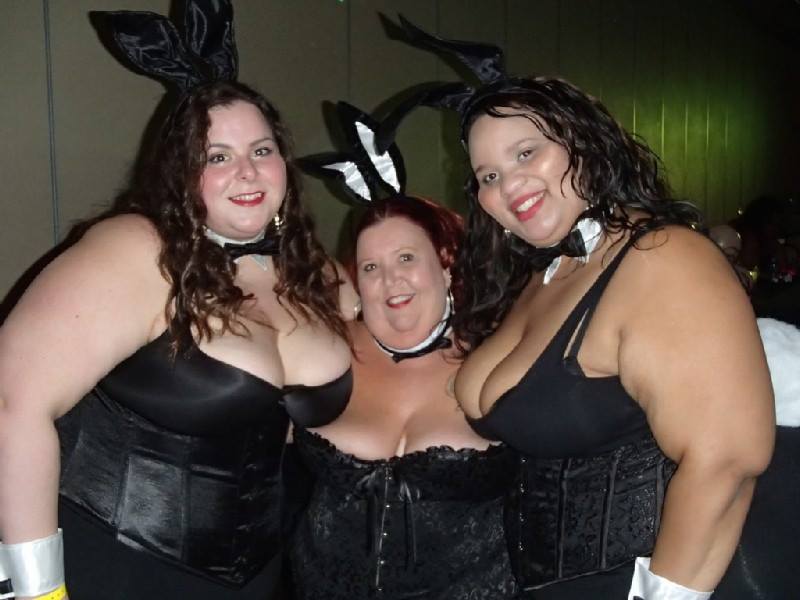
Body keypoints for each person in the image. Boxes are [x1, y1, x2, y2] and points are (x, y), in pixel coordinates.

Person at [389, 17, 775, 600]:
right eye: (488, 175)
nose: (508, 184)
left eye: (527, 152)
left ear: (584, 142)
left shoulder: (663, 258)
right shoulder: (549, 272)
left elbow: (728, 462)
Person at [0, 3, 353, 599]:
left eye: (262, 150)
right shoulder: (138, 250)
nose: (246, 171)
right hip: (115, 563)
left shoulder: (311, 272)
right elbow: (13, 405)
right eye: (217, 156)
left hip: (258, 577)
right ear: (180, 171)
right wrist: (40, 593)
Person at [288, 102, 517, 599]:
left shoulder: (497, 356)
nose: (390, 279)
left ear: (446, 264)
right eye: (371, 267)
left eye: (407, 258)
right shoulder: (325, 351)